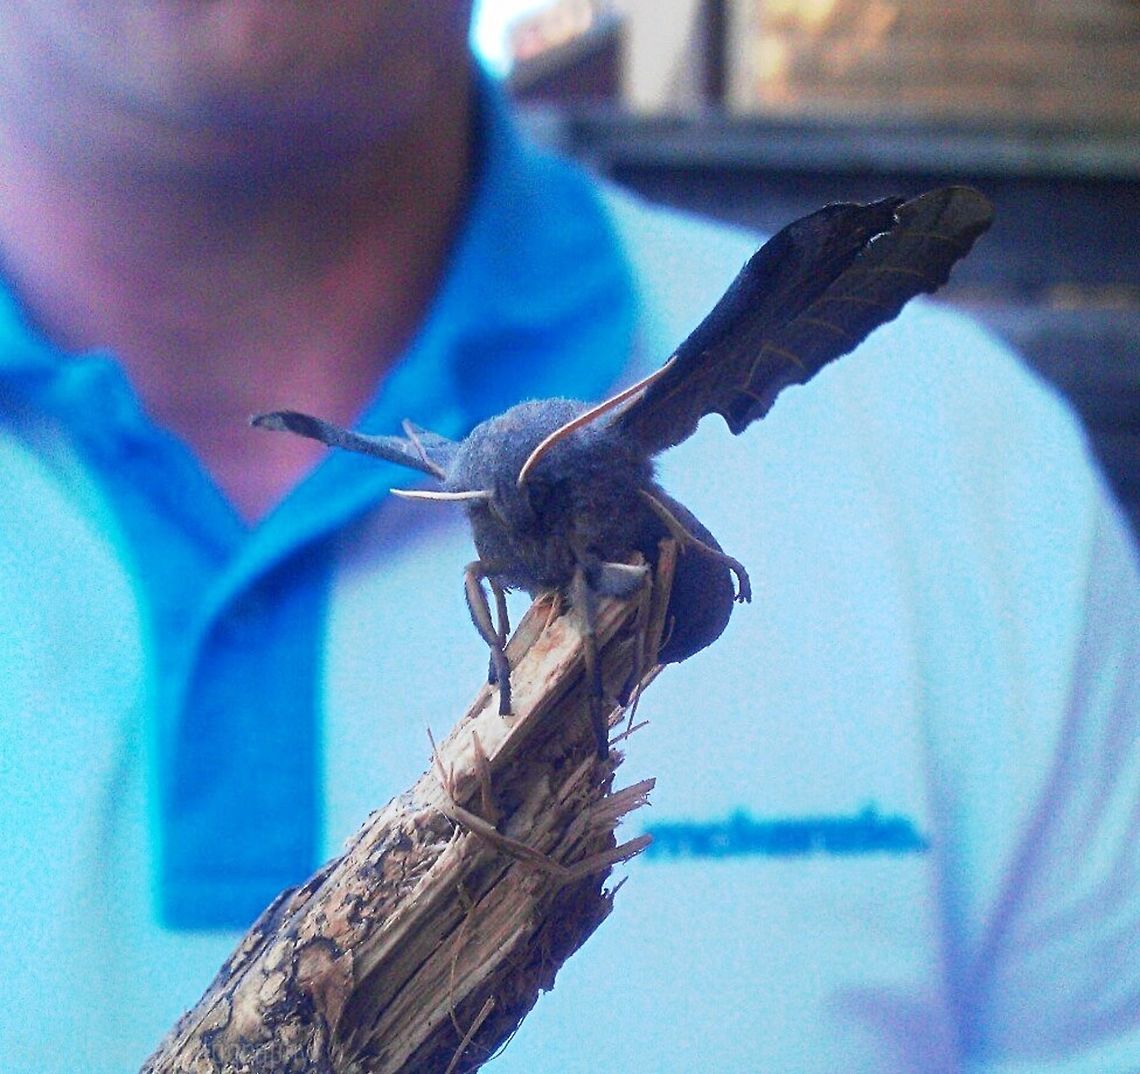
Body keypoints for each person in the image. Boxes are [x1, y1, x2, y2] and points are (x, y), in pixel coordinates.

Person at [1, 4, 1137, 1072]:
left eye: (521, 514)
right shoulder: (476, 502)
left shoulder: (970, 461)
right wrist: (505, 656)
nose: (501, 545)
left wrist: (699, 560)